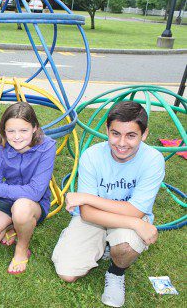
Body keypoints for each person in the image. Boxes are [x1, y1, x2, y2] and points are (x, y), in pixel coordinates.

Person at [51, 101, 165, 307]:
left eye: (131, 135)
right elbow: (87, 214)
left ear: (144, 134)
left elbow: (135, 211)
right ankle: (102, 243)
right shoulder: (92, 156)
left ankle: (116, 272)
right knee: (66, 273)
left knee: (126, 246)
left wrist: (87, 198)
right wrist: (136, 223)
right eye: (115, 134)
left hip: (128, 218)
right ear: (106, 130)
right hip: (98, 219)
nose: (122, 143)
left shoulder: (153, 160)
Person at [0, 102, 56, 274]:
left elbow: (35, 192)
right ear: (3, 131)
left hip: (32, 205)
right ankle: (12, 227)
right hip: (6, 201)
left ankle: (22, 249)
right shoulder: (1, 151)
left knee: (21, 208)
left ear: (34, 128)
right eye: (11, 131)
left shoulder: (47, 148)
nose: (16, 137)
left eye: (23, 130)